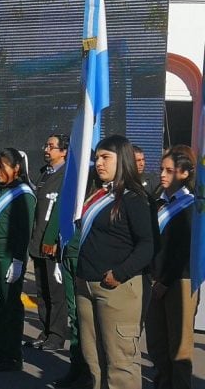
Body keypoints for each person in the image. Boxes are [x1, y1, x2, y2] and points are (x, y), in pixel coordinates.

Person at [76, 135, 154, 389]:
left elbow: (147, 245)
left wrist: (119, 273)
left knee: (121, 362)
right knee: (93, 358)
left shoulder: (134, 198)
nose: (98, 163)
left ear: (122, 160)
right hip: (86, 285)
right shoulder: (94, 194)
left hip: (117, 288)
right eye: (97, 157)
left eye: (105, 157)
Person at [0, 148, 36, 372]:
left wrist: (19, 261)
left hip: (9, 257)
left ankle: (12, 355)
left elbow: (24, 231)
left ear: (17, 168)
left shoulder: (24, 195)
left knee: (10, 306)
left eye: (2, 166)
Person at [147, 145, 197, 389]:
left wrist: (165, 281)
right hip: (156, 280)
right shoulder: (157, 202)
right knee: (157, 341)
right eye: (161, 170)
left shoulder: (191, 205)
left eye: (170, 170)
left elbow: (183, 250)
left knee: (179, 345)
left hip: (180, 281)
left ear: (185, 173)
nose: (163, 175)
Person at [26, 134, 69, 351]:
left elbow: (61, 210)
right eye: (46, 145)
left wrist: (53, 238)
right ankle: (45, 330)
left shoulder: (68, 176)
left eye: (52, 146)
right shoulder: (44, 174)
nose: (46, 149)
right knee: (42, 291)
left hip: (53, 245)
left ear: (64, 151)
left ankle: (57, 335)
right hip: (38, 240)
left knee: (56, 292)